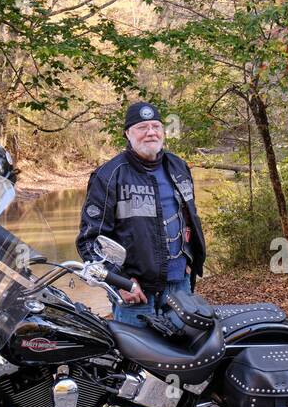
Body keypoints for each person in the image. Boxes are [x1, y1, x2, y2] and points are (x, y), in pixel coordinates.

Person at [76, 101, 206, 327]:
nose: (150, 133)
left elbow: (190, 219)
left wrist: (190, 262)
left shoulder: (179, 167)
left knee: (181, 358)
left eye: (156, 126)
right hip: (136, 293)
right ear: (128, 133)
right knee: (137, 361)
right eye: (142, 127)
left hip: (180, 287)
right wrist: (119, 282)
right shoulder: (109, 175)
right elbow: (90, 241)